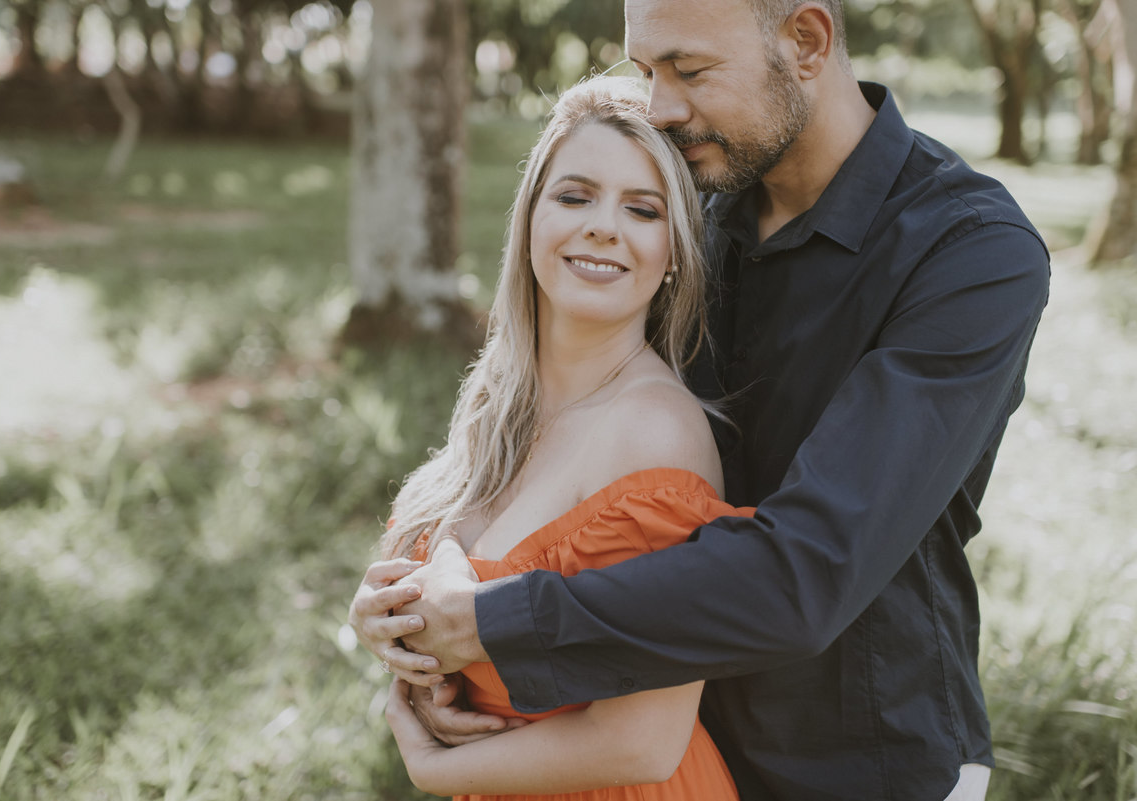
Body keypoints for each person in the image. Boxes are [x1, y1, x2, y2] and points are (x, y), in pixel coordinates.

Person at [351, 0, 1051, 798]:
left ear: (807, 42)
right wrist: (404, 604)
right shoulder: (687, 205)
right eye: (647, 72)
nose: (660, 108)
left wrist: (488, 623)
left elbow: (807, 572)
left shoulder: (969, 253)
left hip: (861, 762)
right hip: (670, 744)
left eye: (690, 70)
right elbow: (555, 430)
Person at [374, 75, 749, 799]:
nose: (602, 226)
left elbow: (642, 741)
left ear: (674, 249)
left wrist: (432, 765)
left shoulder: (655, 432)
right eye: (575, 196)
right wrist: (388, 622)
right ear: (531, 219)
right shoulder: (497, 399)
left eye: (642, 209)